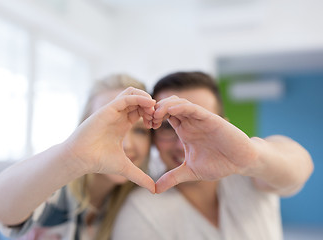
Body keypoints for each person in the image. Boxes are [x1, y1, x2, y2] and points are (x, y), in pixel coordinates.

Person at [112, 71, 314, 240]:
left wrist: (251, 158)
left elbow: (300, 168)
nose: (184, 144)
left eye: (198, 123)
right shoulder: (141, 212)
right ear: (153, 135)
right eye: (167, 126)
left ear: (224, 126)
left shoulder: (252, 172)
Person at [0, 74, 156, 240]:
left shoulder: (138, 201)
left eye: (140, 131)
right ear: (84, 126)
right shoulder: (54, 186)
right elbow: (0, 209)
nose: (127, 144)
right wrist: (73, 157)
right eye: (112, 125)